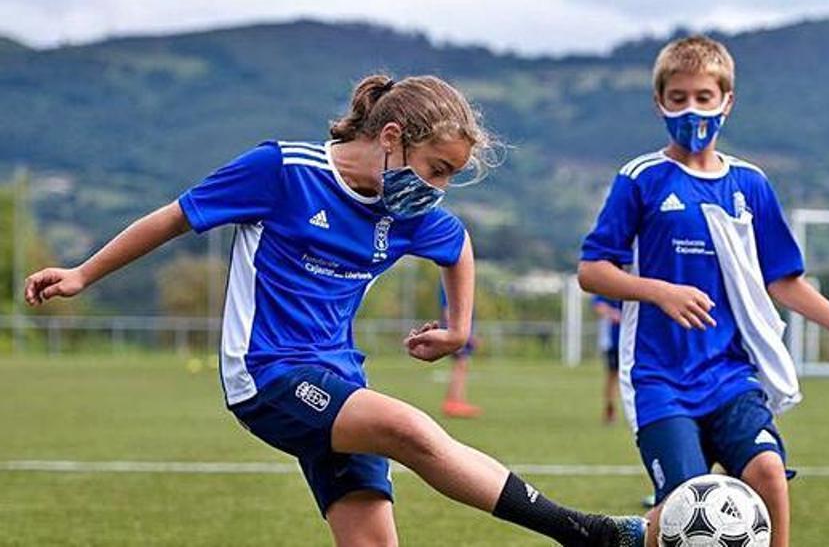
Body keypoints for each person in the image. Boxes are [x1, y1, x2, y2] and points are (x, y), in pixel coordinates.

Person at [24, 74, 643, 547]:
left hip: (341, 381)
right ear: (393, 138)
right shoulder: (282, 170)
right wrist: (83, 273)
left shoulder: (406, 212)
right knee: (411, 430)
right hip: (267, 375)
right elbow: (173, 217)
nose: (438, 189)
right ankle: (587, 532)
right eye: (437, 170)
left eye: (451, 177)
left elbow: (458, 248)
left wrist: (459, 328)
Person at [577, 35, 829, 547]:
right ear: (659, 102)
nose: (691, 109)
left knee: (767, 474)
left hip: (731, 374)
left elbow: (783, 280)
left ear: (726, 102)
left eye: (703, 97)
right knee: (684, 512)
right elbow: (592, 270)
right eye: (678, 98)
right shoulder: (641, 179)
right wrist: (659, 292)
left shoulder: (751, 184)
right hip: (659, 379)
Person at [439, 282, 482, 418]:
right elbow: (448, 308)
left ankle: (455, 400)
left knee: (461, 366)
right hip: (455, 330)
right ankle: (454, 402)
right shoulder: (449, 280)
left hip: (459, 330)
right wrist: (456, 331)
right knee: (460, 365)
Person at [593, 294, 624, 424]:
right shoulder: (609, 282)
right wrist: (613, 314)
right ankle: (610, 409)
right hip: (614, 342)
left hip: (635, 342)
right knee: (612, 375)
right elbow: (598, 306)